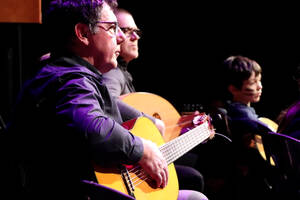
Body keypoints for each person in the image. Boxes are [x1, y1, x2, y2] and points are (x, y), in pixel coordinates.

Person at [5, 1, 208, 200]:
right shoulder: (69, 79)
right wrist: (142, 149)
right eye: (112, 28)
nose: (120, 37)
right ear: (82, 33)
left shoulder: (69, 74)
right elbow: (92, 125)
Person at [102, 7, 206, 194]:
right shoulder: (113, 74)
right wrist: (152, 122)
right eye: (127, 31)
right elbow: (107, 102)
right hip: (126, 163)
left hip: (131, 156)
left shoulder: (123, 74)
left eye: (137, 32)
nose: (136, 37)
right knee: (194, 174)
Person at [220, 55, 278, 200]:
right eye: (254, 82)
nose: (260, 86)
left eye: (260, 80)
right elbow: (268, 131)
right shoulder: (240, 113)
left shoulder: (244, 110)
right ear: (233, 88)